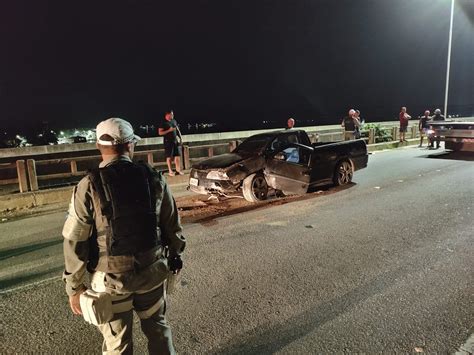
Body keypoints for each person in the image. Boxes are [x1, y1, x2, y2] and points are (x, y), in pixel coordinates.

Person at [62, 117, 186, 354]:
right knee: (158, 330)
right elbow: (172, 226)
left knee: (118, 343)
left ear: (99, 146)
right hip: (151, 273)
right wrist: (176, 255)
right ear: (131, 145)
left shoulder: (88, 186)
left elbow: (75, 240)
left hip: (110, 281)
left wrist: (74, 287)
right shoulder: (154, 178)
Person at [159, 110, 183, 176]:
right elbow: (160, 132)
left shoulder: (174, 121)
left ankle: (178, 170)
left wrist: (181, 138)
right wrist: (169, 130)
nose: (172, 116)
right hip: (168, 142)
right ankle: (170, 171)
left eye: (173, 114)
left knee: (177, 156)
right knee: (169, 157)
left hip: (175, 141)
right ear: (167, 115)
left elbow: (177, 130)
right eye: (171, 114)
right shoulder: (163, 123)